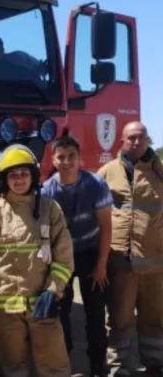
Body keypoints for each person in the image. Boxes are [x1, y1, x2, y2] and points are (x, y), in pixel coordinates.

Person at [0, 144, 74, 377]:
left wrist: (53, 290)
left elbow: (64, 256)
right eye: (13, 175)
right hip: (5, 307)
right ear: (4, 180)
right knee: (13, 368)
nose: (19, 180)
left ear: (33, 176)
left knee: (54, 365)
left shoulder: (49, 208)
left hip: (43, 303)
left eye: (24, 174)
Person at [40, 134, 112, 377]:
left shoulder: (96, 184)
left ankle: (98, 368)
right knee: (62, 313)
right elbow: (45, 234)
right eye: (61, 157)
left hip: (91, 253)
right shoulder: (47, 191)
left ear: (80, 158)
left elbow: (106, 226)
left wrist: (101, 264)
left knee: (95, 314)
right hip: (62, 257)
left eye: (72, 156)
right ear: (54, 160)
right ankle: (65, 366)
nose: (67, 161)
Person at [97, 121, 163, 377]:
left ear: (148, 140)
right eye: (131, 138)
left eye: (140, 137)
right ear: (122, 141)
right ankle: (118, 366)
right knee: (119, 318)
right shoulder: (106, 172)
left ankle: (156, 362)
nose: (136, 142)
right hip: (121, 261)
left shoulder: (158, 171)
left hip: (155, 262)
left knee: (155, 316)